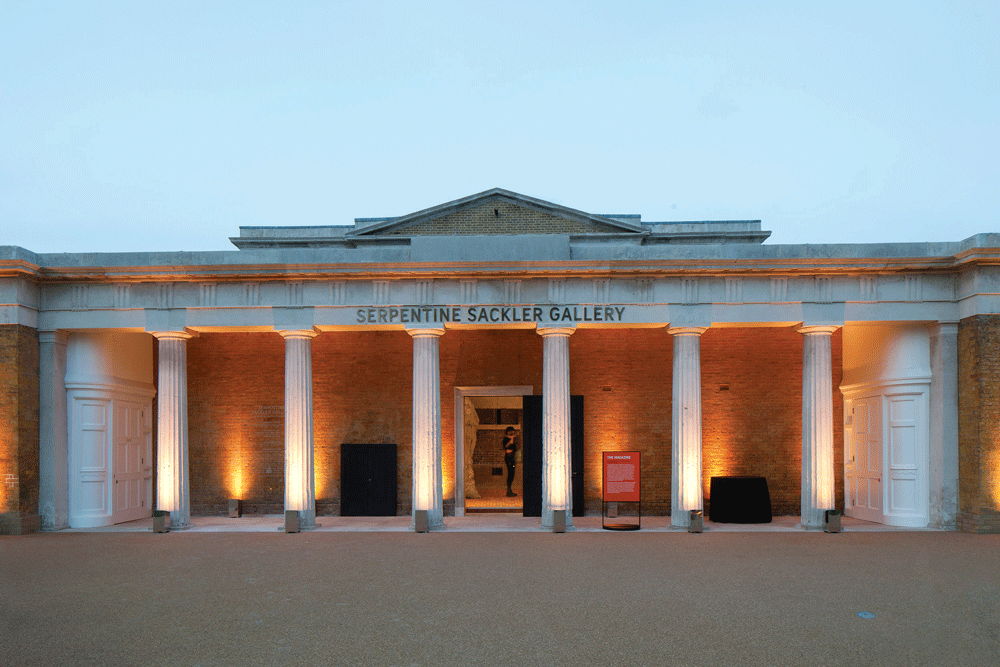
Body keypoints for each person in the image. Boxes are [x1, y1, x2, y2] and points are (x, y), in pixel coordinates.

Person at [502, 426, 518, 497]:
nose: (512, 432)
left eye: (512, 431)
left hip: (512, 457)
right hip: (508, 457)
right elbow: (505, 446)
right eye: (510, 431)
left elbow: (515, 448)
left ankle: (509, 490)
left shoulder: (513, 439)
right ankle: (508, 490)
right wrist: (511, 439)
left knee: (512, 473)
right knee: (510, 473)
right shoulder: (506, 439)